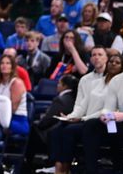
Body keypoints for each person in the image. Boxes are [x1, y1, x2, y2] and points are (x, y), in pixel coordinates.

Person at [47, 46, 117, 174]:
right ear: (90, 59)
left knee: (69, 131)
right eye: (94, 55)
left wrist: (81, 118)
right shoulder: (85, 79)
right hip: (84, 119)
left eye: (100, 54)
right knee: (56, 130)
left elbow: (108, 108)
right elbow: (80, 104)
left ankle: (64, 169)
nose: (96, 57)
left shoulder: (113, 79)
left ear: (107, 58)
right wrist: (71, 116)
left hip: (103, 121)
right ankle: (58, 167)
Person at [0, 55, 29, 136]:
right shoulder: (0, 84)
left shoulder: (17, 83)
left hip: (17, 120)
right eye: (2, 63)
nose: (4, 66)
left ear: (13, 67)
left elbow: (12, 109)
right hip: (1, 118)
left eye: (8, 63)